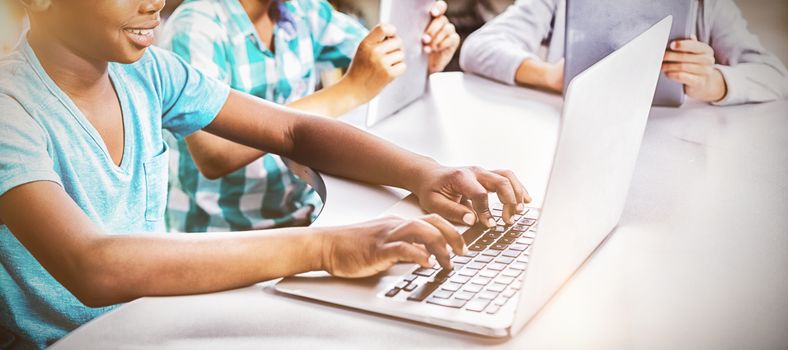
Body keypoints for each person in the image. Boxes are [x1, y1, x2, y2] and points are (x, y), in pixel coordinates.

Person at [0, 0, 525, 348]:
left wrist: (425, 173)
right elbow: (92, 267)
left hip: (153, 321)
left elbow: (294, 132)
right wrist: (324, 248)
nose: (154, 1)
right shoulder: (9, 107)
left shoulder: (147, 71)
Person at [160, 0, 461, 233]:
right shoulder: (194, 27)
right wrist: (350, 90)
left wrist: (420, 54)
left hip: (302, 213)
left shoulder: (302, 9)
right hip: (224, 234)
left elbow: (376, 61)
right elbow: (215, 155)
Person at [459, 0, 788, 105]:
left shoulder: (706, 6)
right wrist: (551, 77)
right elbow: (477, 48)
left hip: (677, 143)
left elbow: (775, 76)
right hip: (578, 135)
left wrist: (712, 82)